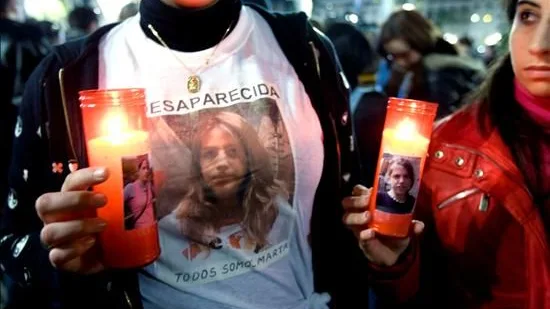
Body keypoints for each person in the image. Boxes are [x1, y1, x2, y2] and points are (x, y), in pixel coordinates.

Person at [0, 0, 365, 308]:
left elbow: (350, 217)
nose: (222, 162)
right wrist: (58, 255)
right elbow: (13, 243)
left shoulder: (305, 50)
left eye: (233, 150)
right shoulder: (67, 76)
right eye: (209, 153)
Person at [343, 0, 550, 307]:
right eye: (529, 15)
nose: (540, 44)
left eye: (403, 54)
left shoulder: (437, 78)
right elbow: (421, 285)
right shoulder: (446, 148)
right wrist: (397, 259)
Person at [378, 9, 486, 118]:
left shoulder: (440, 73)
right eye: (393, 56)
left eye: (405, 55)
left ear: (420, 43)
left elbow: (440, 120)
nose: (400, 63)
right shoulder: (422, 69)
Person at [123, 156, 155, 229]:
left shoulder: (149, 185)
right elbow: (116, 206)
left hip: (153, 227)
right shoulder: (130, 187)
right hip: (141, 230)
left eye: (147, 168)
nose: (146, 171)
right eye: (143, 168)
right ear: (138, 171)